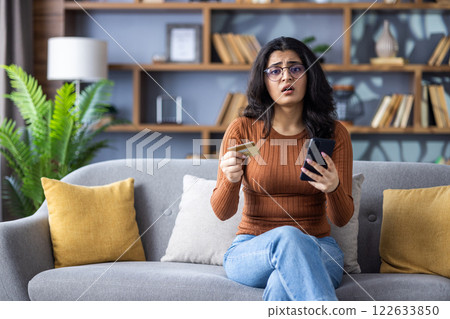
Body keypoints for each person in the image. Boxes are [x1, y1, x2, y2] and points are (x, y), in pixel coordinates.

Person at [210, 36, 354, 301]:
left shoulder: (332, 133)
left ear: (309, 76)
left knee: (281, 281)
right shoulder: (246, 131)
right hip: (252, 249)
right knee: (288, 237)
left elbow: (341, 219)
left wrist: (333, 188)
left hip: (319, 247)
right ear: (264, 81)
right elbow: (222, 211)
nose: (286, 77)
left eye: (295, 69)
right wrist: (230, 180)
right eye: (275, 70)